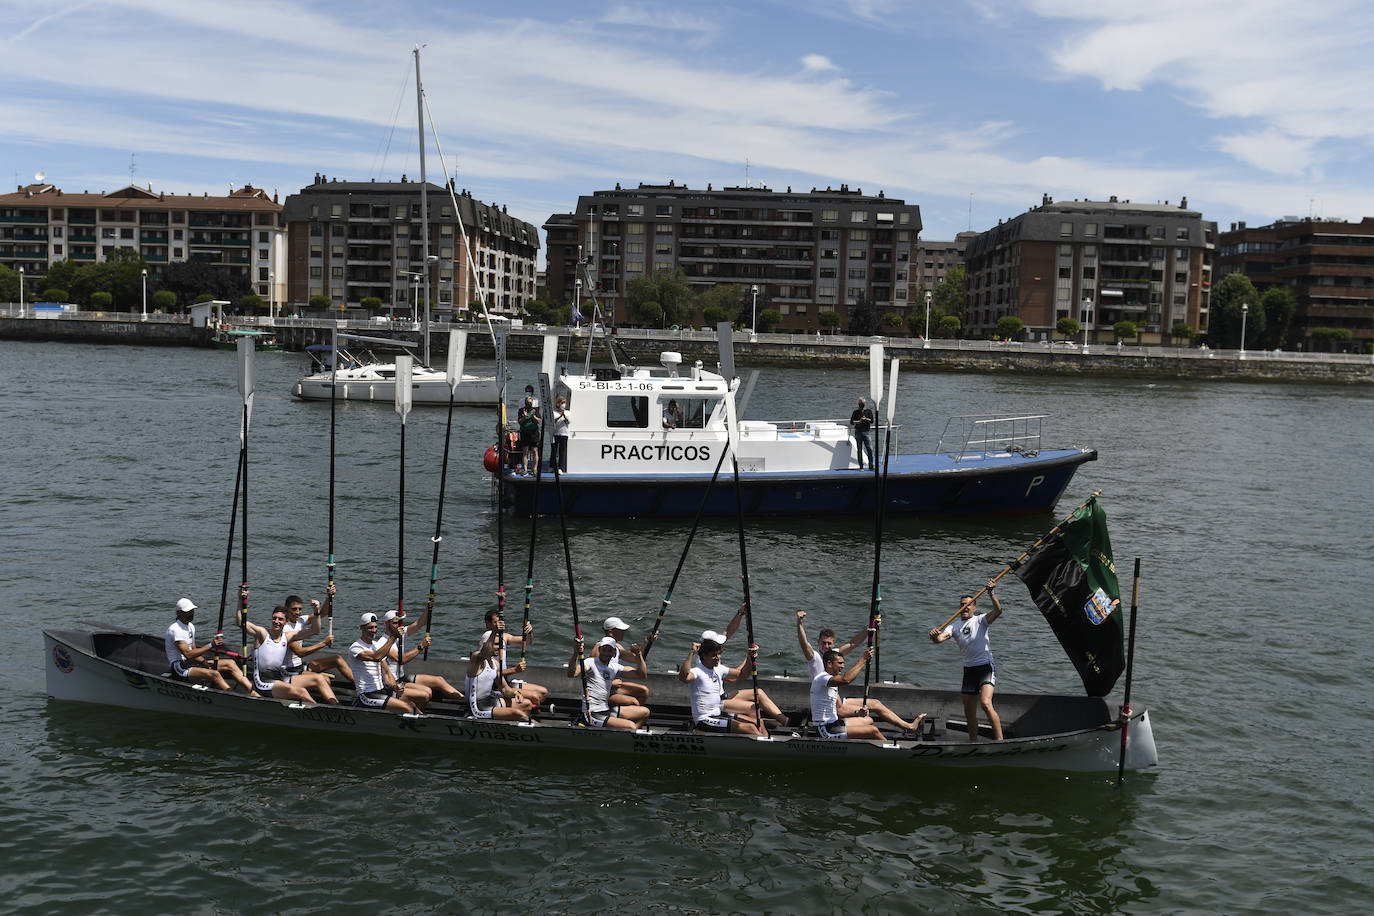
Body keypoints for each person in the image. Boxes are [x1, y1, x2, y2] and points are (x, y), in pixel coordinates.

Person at [796, 611, 924, 734]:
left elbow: (853, 643)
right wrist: (799, 624)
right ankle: (851, 724)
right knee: (865, 715)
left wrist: (869, 628)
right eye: (823, 643)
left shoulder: (835, 654)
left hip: (835, 697)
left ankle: (909, 726)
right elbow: (803, 643)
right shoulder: (814, 657)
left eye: (829, 643)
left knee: (875, 704)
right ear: (818, 643)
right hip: (829, 702)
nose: (826, 646)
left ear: (833, 643)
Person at [929, 579, 1004, 742]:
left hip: (985, 667)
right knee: (969, 712)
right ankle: (973, 743)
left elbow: (998, 611)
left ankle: (1000, 741)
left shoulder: (981, 620)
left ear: (974, 607)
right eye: (962, 604)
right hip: (969, 671)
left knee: (985, 703)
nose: (965, 607)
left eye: (968, 604)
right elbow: (940, 639)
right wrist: (934, 636)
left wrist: (991, 594)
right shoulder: (954, 626)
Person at [678, 629, 783, 735]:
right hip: (704, 719)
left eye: (719, 654)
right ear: (704, 656)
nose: (718, 658)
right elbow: (683, 677)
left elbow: (743, 675)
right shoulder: (697, 672)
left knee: (757, 722)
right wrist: (691, 653)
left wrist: (749, 658)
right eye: (714, 655)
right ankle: (763, 747)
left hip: (718, 713)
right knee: (750, 728)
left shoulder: (718, 669)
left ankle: (766, 743)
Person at [241, 605, 339, 704]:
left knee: (319, 678)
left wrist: (317, 612)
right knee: (302, 692)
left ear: (286, 621)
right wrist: (241, 598)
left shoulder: (287, 636)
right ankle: (321, 714)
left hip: (280, 677)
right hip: (263, 682)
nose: (276, 621)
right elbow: (241, 622)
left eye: (280, 619)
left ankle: (337, 707)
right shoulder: (262, 634)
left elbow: (315, 630)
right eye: (274, 618)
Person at [163, 597, 253, 692]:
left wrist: (204, 663)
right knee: (214, 674)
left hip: (190, 664)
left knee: (230, 663)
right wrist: (210, 645)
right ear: (178, 613)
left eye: (192, 610)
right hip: (179, 668)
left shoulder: (191, 627)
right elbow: (188, 654)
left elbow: (195, 652)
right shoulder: (175, 630)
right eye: (187, 611)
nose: (191, 614)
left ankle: (252, 691)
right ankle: (233, 695)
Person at [379, 609, 464, 706]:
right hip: (393, 683)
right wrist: (421, 647)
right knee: (426, 693)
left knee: (438, 680)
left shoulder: (400, 633)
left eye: (400, 622)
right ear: (386, 624)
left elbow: (420, 623)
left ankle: (464, 700)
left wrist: (428, 608)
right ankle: (414, 713)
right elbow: (401, 659)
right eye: (395, 623)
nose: (399, 625)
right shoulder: (382, 643)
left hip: (402, 677)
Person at [567, 636, 651, 730]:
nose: (606, 653)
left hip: (607, 709)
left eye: (609, 650)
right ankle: (629, 735)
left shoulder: (614, 667)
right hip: (592, 714)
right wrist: (575, 653)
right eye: (604, 650)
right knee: (630, 726)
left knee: (645, 712)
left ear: (614, 652)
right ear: (599, 650)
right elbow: (572, 674)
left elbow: (641, 675)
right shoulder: (590, 662)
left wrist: (639, 654)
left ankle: (630, 737)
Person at [347, 612, 418, 713]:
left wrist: (395, 687)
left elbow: (386, 673)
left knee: (412, 705)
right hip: (367, 695)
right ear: (361, 628)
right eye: (370, 628)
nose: (374, 630)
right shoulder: (355, 647)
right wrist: (393, 637)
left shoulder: (376, 646)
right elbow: (376, 657)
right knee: (406, 708)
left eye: (376, 627)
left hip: (382, 690)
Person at [282, 586, 353, 684]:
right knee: (325, 680)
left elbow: (323, 613)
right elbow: (300, 652)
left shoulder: (301, 620)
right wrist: (324, 643)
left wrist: (329, 596)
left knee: (337, 659)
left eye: (300, 609)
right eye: (294, 609)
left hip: (301, 665)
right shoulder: (285, 628)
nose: (297, 612)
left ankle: (360, 686)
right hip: (290, 670)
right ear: (286, 609)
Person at [810, 647, 886, 740]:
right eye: (840, 663)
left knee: (868, 720)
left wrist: (857, 713)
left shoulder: (832, 681)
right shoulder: (822, 678)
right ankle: (892, 751)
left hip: (834, 723)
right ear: (829, 664)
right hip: (825, 729)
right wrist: (863, 660)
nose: (843, 666)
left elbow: (840, 710)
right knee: (873, 730)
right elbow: (846, 680)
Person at [466, 620, 534, 721]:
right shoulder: (477, 660)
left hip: (490, 699)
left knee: (527, 704)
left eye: (500, 644)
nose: (500, 647)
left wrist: (516, 694)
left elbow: (505, 689)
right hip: (478, 707)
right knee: (518, 714)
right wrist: (494, 631)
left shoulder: (495, 664)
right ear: (486, 644)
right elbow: (484, 651)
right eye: (496, 644)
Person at [480, 610, 548, 708]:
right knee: (534, 697)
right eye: (495, 623)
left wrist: (529, 632)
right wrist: (515, 670)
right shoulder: (486, 639)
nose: (499, 625)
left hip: (505, 682)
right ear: (487, 624)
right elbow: (492, 674)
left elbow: (527, 641)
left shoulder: (505, 637)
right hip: (495, 686)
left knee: (543, 692)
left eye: (500, 622)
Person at [602, 615, 652, 705]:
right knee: (634, 703)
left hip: (612, 686)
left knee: (643, 691)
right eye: (620, 631)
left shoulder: (618, 647)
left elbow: (636, 659)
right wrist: (610, 684)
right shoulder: (599, 648)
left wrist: (647, 641)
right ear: (610, 632)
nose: (623, 633)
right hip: (602, 689)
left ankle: (627, 714)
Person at [517, 396, 541, 476]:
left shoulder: (535, 410)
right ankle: (525, 469)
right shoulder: (521, 410)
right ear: (525, 403)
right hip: (524, 432)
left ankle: (534, 469)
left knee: (535, 451)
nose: (529, 404)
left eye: (530, 402)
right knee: (525, 451)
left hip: (534, 433)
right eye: (527, 402)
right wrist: (525, 416)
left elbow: (538, 421)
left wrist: (533, 416)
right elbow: (519, 422)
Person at [850, 397, 874, 469]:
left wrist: (866, 419)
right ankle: (861, 466)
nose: (861, 404)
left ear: (865, 403)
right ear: (858, 404)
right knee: (859, 449)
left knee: (869, 448)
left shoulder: (868, 411)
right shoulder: (855, 412)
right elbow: (852, 422)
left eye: (862, 403)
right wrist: (859, 421)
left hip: (866, 432)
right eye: (860, 403)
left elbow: (872, 420)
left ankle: (871, 465)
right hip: (858, 432)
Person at [551, 396, 570, 472]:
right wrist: (560, 416)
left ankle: (561, 468)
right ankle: (552, 466)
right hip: (556, 433)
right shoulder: (554, 413)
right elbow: (553, 422)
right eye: (562, 403)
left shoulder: (568, 412)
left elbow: (568, 422)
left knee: (562, 452)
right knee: (554, 451)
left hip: (564, 434)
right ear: (558, 404)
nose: (563, 405)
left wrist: (564, 415)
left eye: (564, 403)